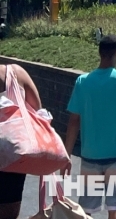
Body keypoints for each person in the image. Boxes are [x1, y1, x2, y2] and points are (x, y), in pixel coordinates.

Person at [64, 34, 116, 219]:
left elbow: (74, 120)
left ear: (100, 53)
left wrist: (67, 153)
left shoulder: (83, 81)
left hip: (90, 155)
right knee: (115, 205)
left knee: (87, 209)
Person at [0, 63, 44, 219]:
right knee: (9, 209)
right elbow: (38, 114)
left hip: (13, 158)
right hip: (13, 154)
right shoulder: (15, 74)